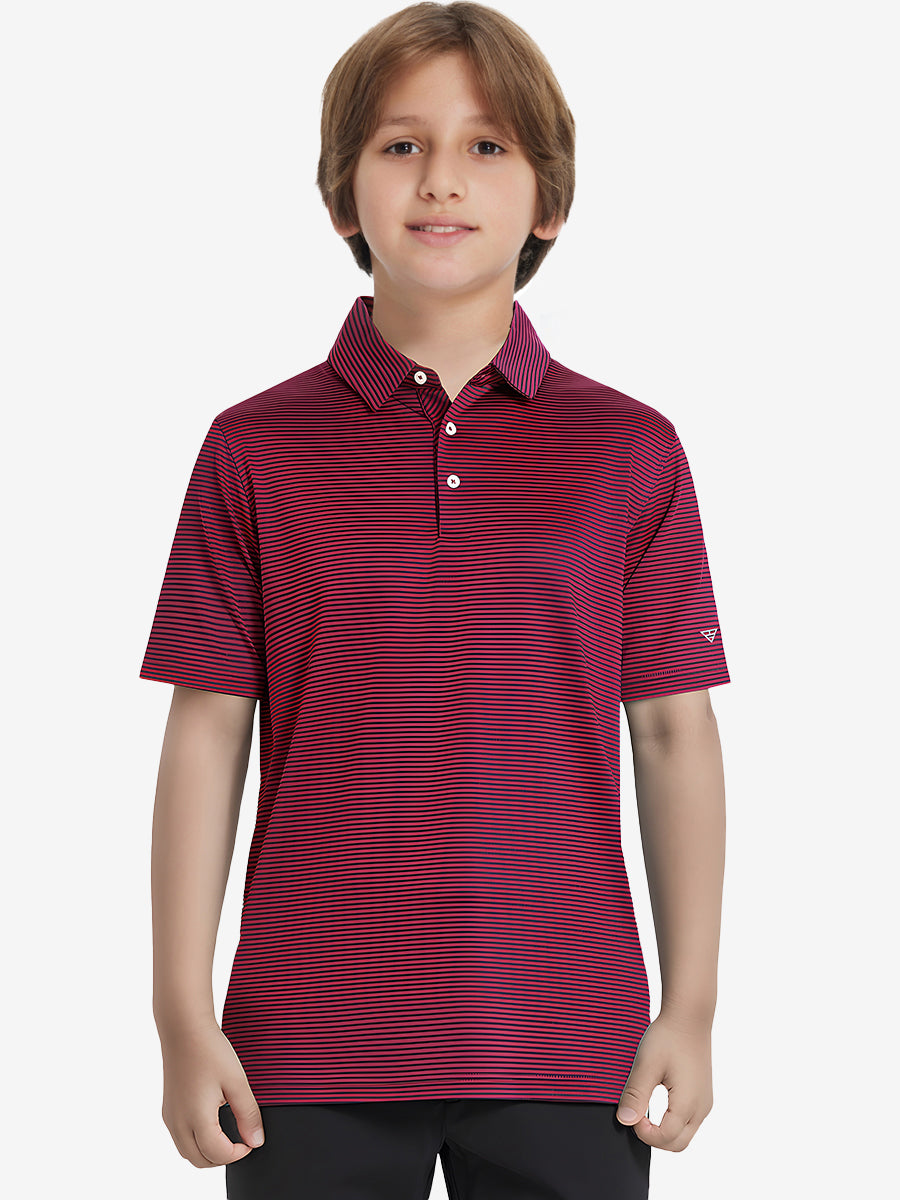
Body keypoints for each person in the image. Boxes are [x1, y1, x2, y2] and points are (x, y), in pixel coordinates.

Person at [140, 4, 731, 1197]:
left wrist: (694, 1008)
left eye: (488, 145)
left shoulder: (629, 450)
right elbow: (206, 733)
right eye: (401, 144)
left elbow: (674, 731)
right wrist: (180, 1016)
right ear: (341, 194)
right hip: (305, 1040)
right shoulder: (255, 448)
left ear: (548, 199)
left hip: (571, 1039)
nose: (442, 180)